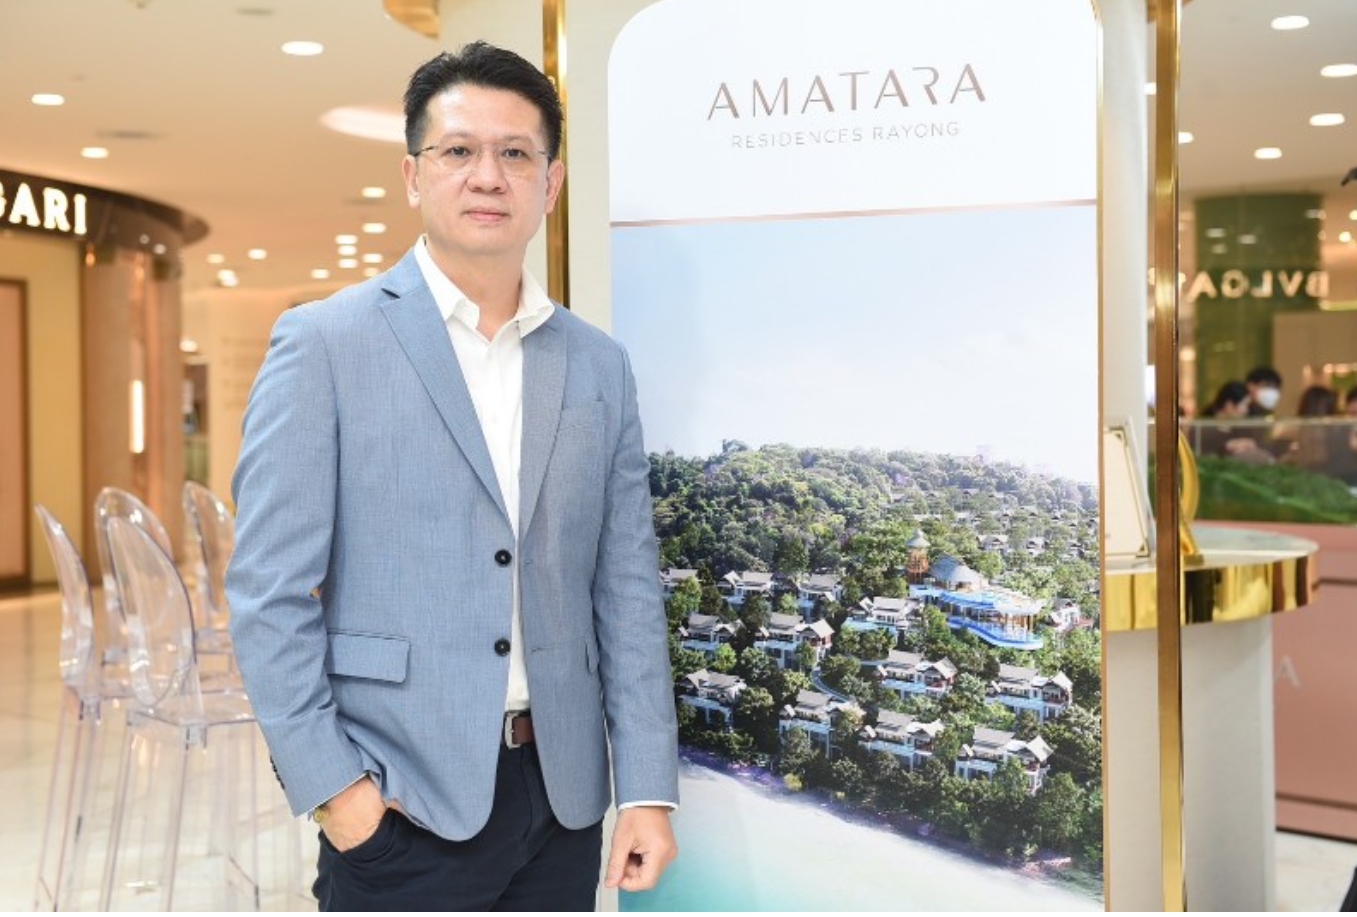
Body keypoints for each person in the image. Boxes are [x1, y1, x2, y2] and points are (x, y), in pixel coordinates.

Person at [226, 42, 678, 911]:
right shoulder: (325, 344)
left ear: (550, 184)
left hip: (562, 799)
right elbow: (267, 591)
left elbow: (624, 584)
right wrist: (339, 795)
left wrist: (647, 788)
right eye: (458, 150)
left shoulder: (597, 365)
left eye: (516, 153)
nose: (487, 176)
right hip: (401, 800)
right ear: (412, 175)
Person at [1194, 380, 1273, 463]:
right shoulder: (1202, 428)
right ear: (1229, 405)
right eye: (1244, 405)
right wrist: (1227, 447)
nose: (1246, 410)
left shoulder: (1239, 428)